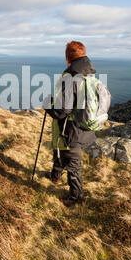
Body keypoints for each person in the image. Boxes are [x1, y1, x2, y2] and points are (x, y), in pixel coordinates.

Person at [43, 41, 98, 207]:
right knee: (61, 149)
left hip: (72, 128)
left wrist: (48, 107)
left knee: (73, 164)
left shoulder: (71, 77)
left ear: (68, 58)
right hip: (84, 125)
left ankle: (76, 197)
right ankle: (56, 175)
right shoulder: (89, 74)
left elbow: (62, 111)